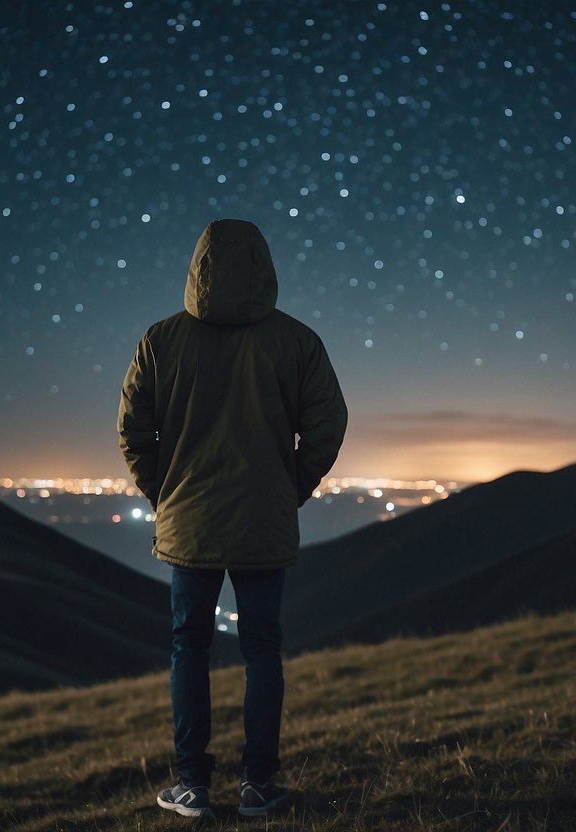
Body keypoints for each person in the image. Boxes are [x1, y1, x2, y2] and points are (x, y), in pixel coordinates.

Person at [118, 218, 348, 819]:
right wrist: (288, 488)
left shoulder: (161, 340)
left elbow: (133, 429)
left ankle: (192, 783)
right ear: (264, 267)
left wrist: (163, 491)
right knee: (262, 650)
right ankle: (258, 784)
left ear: (196, 266)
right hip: (262, 525)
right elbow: (328, 423)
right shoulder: (297, 342)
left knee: (187, 647)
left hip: (189, 522)